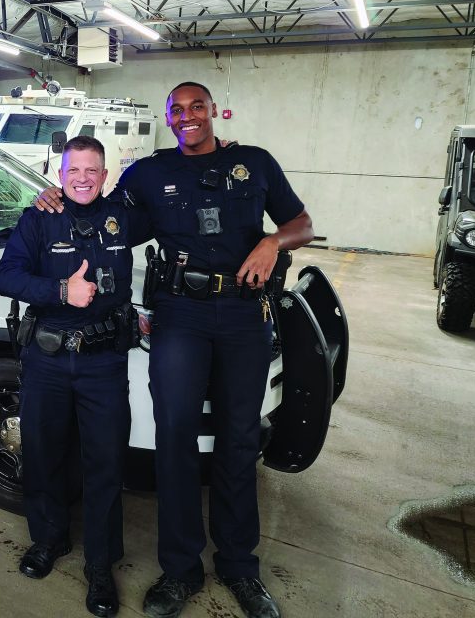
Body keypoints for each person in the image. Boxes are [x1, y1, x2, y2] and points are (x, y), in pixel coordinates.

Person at [36, 82, 313, 618]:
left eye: (197, 108)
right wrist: (54, 195)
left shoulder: (254, 164)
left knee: (238, 440)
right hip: (180, 315)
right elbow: (97, 214)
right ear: (168, 118)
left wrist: (272, 241)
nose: (188, 117)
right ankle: (180, 570)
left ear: (213, 112)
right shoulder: (149, 173)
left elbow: (301, 222)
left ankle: (239, 567)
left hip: (241, 314)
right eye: (177, 111)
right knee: (176, 440)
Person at [0, 135, 148, 618]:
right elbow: (7, 277)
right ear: (60, 176)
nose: (82, 179)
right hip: (48, 360)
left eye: (91, 171)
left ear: (104, 176)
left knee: (104, 464)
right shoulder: (38, 218)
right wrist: (62, 289)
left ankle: (100, 566)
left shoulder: (124, 216)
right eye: (73, 171)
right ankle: (48, 540)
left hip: (104, 363)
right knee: (43, 454)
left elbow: (171, 192)